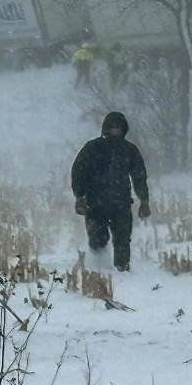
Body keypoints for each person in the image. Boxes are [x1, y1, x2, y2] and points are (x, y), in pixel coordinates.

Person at [70, 111, 150, 271]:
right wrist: (79, 197)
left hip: (121, 203)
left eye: (118, 128)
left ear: (123, 129)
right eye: (112, 127)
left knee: (123, 240)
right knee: (97, 240)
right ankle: (98, 270)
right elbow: (78, 172)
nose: (115, 130)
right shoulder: (92, 148)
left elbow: (139, 175)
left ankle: (123, 271)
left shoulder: (129, 150)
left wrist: (144, 200)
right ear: (105, 128)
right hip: (95, 204)